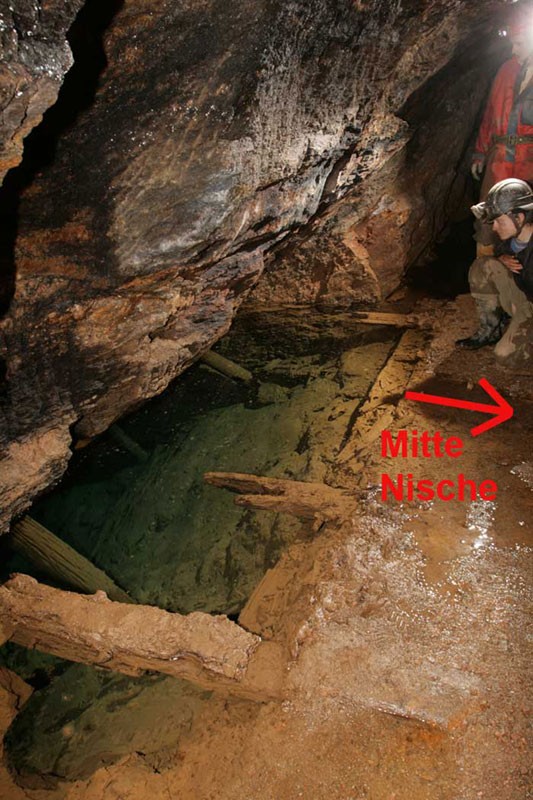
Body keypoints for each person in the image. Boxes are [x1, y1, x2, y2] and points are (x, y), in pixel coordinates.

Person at [471, 5, 533, 253]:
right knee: (489, 220)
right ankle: (485, 275)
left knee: (524, 219)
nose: (513, 49)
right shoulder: (506, 70)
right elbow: (490, 114)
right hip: (499, 158)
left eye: (519, 43)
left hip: (529, 160)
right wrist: (479, 152)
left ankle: (523, 280)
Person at [456, 178, 533, 366]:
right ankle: (491, 329)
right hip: (522, 298)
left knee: (505, 356)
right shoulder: (510, 239)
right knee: (484, 266)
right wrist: (501, 260)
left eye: (499, 221)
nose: (495, 227)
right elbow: (500, 256)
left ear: (519, 217)